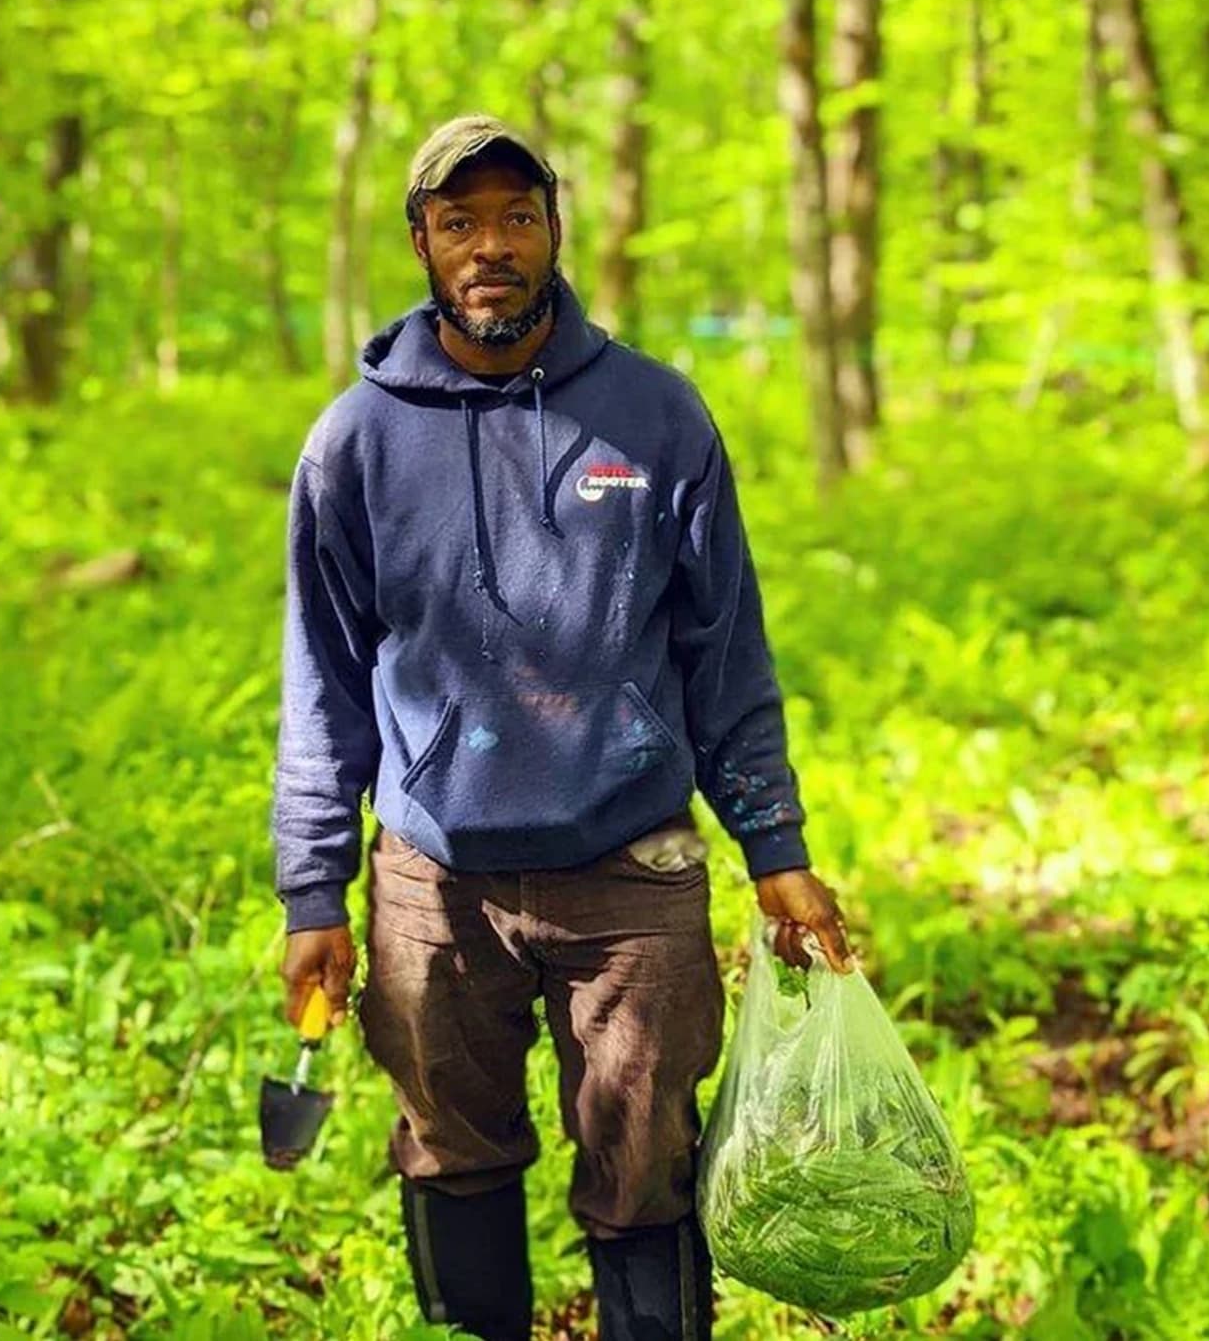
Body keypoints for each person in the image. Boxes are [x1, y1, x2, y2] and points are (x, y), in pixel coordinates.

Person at [271, 113, 854, 1341]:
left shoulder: (655, 415)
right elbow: (321, 683)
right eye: (460, 221)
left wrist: (776, 848)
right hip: (435, 877)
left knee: (647, 1160)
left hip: (629, 866)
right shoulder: (354, 444)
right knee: (453, 1147)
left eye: (517, 216)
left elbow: (723, 649)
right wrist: (313, 892)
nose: (491, 245)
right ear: (421, 244)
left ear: (553, 233)